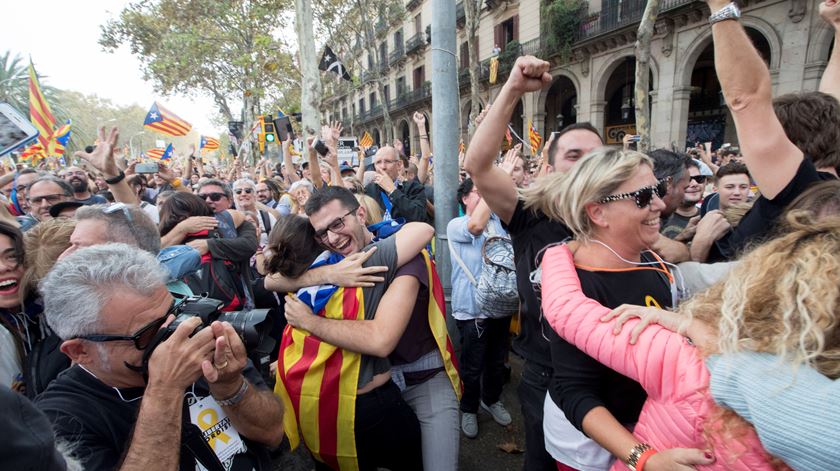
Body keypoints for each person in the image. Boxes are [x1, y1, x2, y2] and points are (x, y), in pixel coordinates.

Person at [541, 211, 840, 470]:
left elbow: (568, 310)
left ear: (760, 287)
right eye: (645, 195)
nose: (658, 204)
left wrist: (556, 252)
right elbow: (573, 387)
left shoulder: (688, 362)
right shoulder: (823, 410)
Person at [525, 147, 709, 470]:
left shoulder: (652, 259)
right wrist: (644, 459)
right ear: (598, 213)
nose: (660, 205)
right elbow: (575, 393)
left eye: (659, 189)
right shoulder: (577, 283)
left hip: (654, 426)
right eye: (642, 197)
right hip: (594, 451)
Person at [464, 55, 603, 471]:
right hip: (548, 374)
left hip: (614, 372)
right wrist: (511, 89)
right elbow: (478, 166)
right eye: (574, 155)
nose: (586, 165)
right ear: (551, 167)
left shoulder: (628, 217)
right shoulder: (530, 215)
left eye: (596, 157)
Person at [35, 243, 284, 470]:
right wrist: (165, 391)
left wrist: (231, 386)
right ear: (80, 351)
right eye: (149, 332)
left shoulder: (200, 344)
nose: (174, 334)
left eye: (175, 311)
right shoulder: (59, 421)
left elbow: (272, 433)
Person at [277, 186, 461, 471]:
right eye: (323, 232)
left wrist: (309, 322)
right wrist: (328, 274)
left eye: (338, 224)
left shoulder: (400, 252)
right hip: (367, 388)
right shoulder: (329, 260)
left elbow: (380, 340)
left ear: (360, 213)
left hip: (423, 380)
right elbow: (270, 279)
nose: (333, 238)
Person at [447, 178, 513, 439]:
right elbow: (475, 225)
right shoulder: (457, 225)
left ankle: (492, 399)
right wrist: (492, 186)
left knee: (497, 362)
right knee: (472, 366)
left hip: (501, 307)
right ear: (464, 199)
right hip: (472, 310)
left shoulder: (501, 223)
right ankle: (469, 408)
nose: (486, 196)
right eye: (479, 192)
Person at [363, 146, 430, 223]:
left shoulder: (413, 187)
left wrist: (393, 191)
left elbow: (419, 217)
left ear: (399, 165)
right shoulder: (369, 190)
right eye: (378, 162)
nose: (383, 167)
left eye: (388, 161)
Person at [660, 160, 702, 241]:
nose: (695, 184)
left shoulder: (709, 216)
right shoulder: (656, 219)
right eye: (689, 179)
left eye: (699, 179)